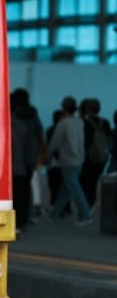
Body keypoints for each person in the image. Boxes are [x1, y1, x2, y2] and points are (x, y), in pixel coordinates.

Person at [46, 96, 92, 226]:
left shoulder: (63, 124)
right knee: (65, 190)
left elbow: (55, 142)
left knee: (75, 189)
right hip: (79, 160)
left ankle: (87, 215)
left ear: (63, 108)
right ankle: (53, 214)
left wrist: (48, 155)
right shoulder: (80, 122)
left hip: (67, 161)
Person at [10, 89, 43, 233]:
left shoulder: (11, 121)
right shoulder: (31, 116)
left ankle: (20, 219)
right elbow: (40, 134)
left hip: (15, 164)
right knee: (24, 190)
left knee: (17, 192)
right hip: (27, 160)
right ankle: (25, 218)